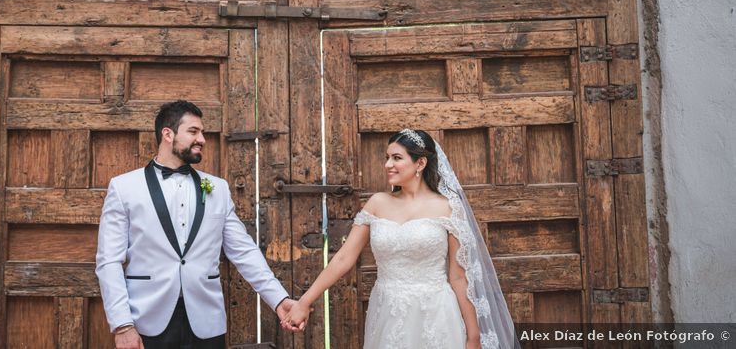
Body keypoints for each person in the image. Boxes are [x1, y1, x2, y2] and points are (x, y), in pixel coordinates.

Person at [280, 129, 518, 349]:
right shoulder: (377, 203)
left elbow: (458, 277)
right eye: (387, 158)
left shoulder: (447, 208)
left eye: (396, 158)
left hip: (436, 313)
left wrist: (473, 336)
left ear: (420, 163)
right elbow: (343, 258)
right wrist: (304, 301)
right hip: (387, 311)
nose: (387, 165)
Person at [96, 100, 296, 349]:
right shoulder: (124, 187)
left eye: (202, 132)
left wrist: (278, 299)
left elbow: (243, 251)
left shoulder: (218, 188)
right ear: (167, 134)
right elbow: (108, 261)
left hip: (206, 322)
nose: (202, 138)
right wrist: (122, 324)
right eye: (193, 131)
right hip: (145, 320)